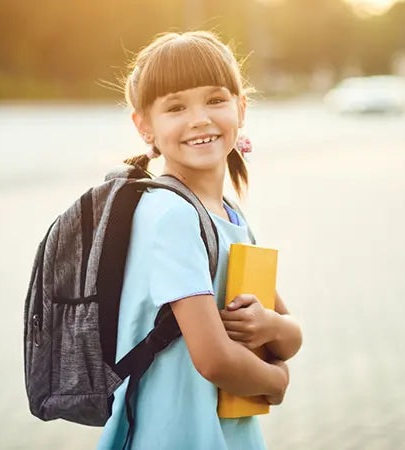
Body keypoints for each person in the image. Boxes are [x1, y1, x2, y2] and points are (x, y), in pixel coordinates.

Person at [97, 31, 303, 450]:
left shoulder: (229, 215)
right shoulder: (171, 215)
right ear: (144, 126)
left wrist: (268, 324)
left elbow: (290, 335)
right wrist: (277, 381)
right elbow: (214, 359)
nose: (199, 119)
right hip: (176, 433)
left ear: (241, 107)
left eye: (215, 100)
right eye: (175, 107)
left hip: (226, 432)